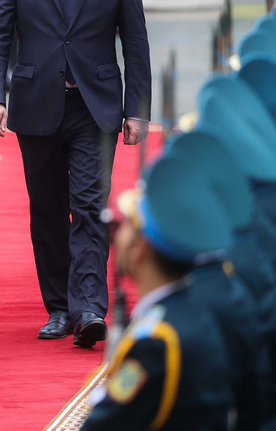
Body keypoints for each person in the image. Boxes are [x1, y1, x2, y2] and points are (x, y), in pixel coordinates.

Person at [0, 0, 150, 347]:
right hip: (35, 106)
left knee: (91, 206)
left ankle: (91, 307)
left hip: (94, 108)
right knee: (48, 211)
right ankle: (58, 307)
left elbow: (135, 41)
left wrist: (136, 108)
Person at [82, 153, 236, 430]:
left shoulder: (155, 342)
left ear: (141, 248)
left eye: (127, 225)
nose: (118, 233)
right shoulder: (199, 310)